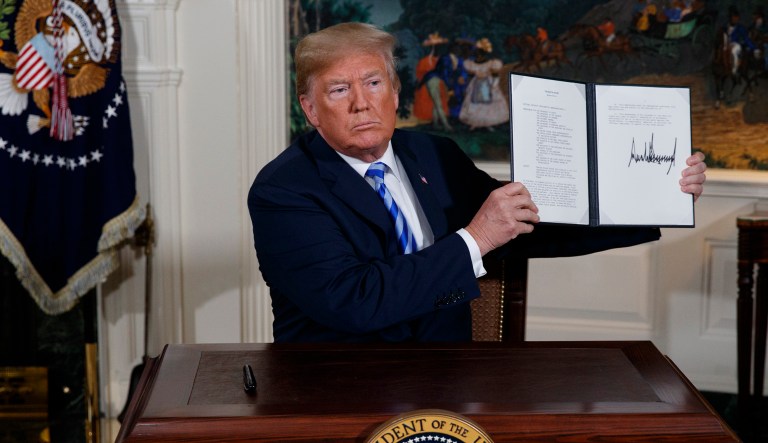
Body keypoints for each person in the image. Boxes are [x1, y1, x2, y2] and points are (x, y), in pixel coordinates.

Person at [248, 22, 707, 343]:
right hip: (339, 388)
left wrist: (656, 193)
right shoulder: (283, 191)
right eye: (339, 89)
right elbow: (354, 300)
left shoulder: (431, 153)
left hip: (449, 373)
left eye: (372, 83)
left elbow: (525, 221)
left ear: (395, 92)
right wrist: (476, 238)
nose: (361, 104)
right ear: (311, 109)